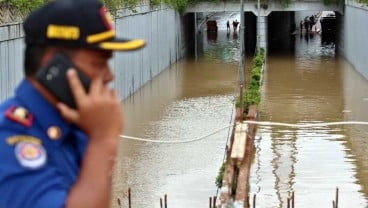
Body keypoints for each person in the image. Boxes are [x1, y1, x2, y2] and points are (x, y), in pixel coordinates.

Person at [0, 0, 145, 207]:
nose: (109, 76)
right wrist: (103, 140)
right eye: (98, 64)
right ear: (54, 66)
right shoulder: (10, 140)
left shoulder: (71, 126)